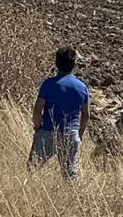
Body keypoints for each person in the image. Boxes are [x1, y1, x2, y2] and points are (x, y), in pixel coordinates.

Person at [29, 47, 90, 180]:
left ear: (56, 63)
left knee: (32, 169)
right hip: (71, 134)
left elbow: (37, 111)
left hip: (48, 132)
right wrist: (79, 133)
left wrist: (38, 128)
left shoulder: (48, 84)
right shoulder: (82, 87)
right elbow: (86, 115)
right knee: (70, 176)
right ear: (74, 64)